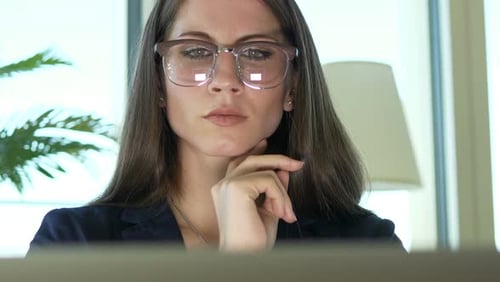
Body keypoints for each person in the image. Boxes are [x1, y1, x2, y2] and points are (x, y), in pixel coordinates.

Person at [30, 0, 404, 252]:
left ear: (292, 86)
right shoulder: (75, 242)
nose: (225, 80)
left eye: (257, 52)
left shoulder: (365, 245)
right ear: (159, 85)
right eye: (195, 52)